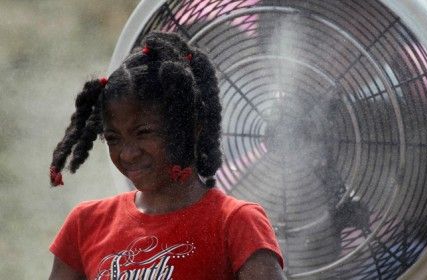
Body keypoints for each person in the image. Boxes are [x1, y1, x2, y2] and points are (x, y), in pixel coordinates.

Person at [48, 31, 285, 280]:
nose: (127, 154)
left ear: (190, 128)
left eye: (143, 133)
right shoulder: (85, 224)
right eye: (113, 138)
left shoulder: (235, 223)